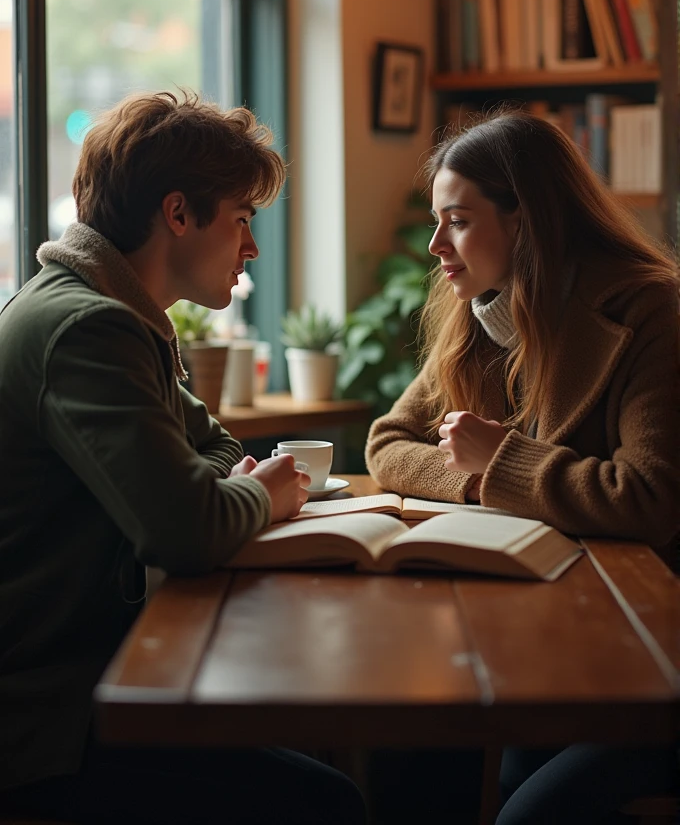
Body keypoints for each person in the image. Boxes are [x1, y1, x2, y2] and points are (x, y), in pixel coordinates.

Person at [0, 90, 366, 825]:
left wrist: (221, 487)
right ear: (177, 214)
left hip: (95, 681)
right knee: (327, 802)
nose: (251, 247)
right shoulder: (88, 330)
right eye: (242, 220)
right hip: (46, 725)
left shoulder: (118, 313)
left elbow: (219, 448)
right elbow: (189, 530)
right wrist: (263, 497)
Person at [365, 110, 679, 823]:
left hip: (644, 647)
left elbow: (651, 496)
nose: (436, 243)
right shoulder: (480, 310)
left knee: (524, 809)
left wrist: (505, 461)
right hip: (545, 627)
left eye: (459, 221)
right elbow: (388, 442)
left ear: (526, 222)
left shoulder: (646, 309)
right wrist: (481, 478)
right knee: (416, 754)